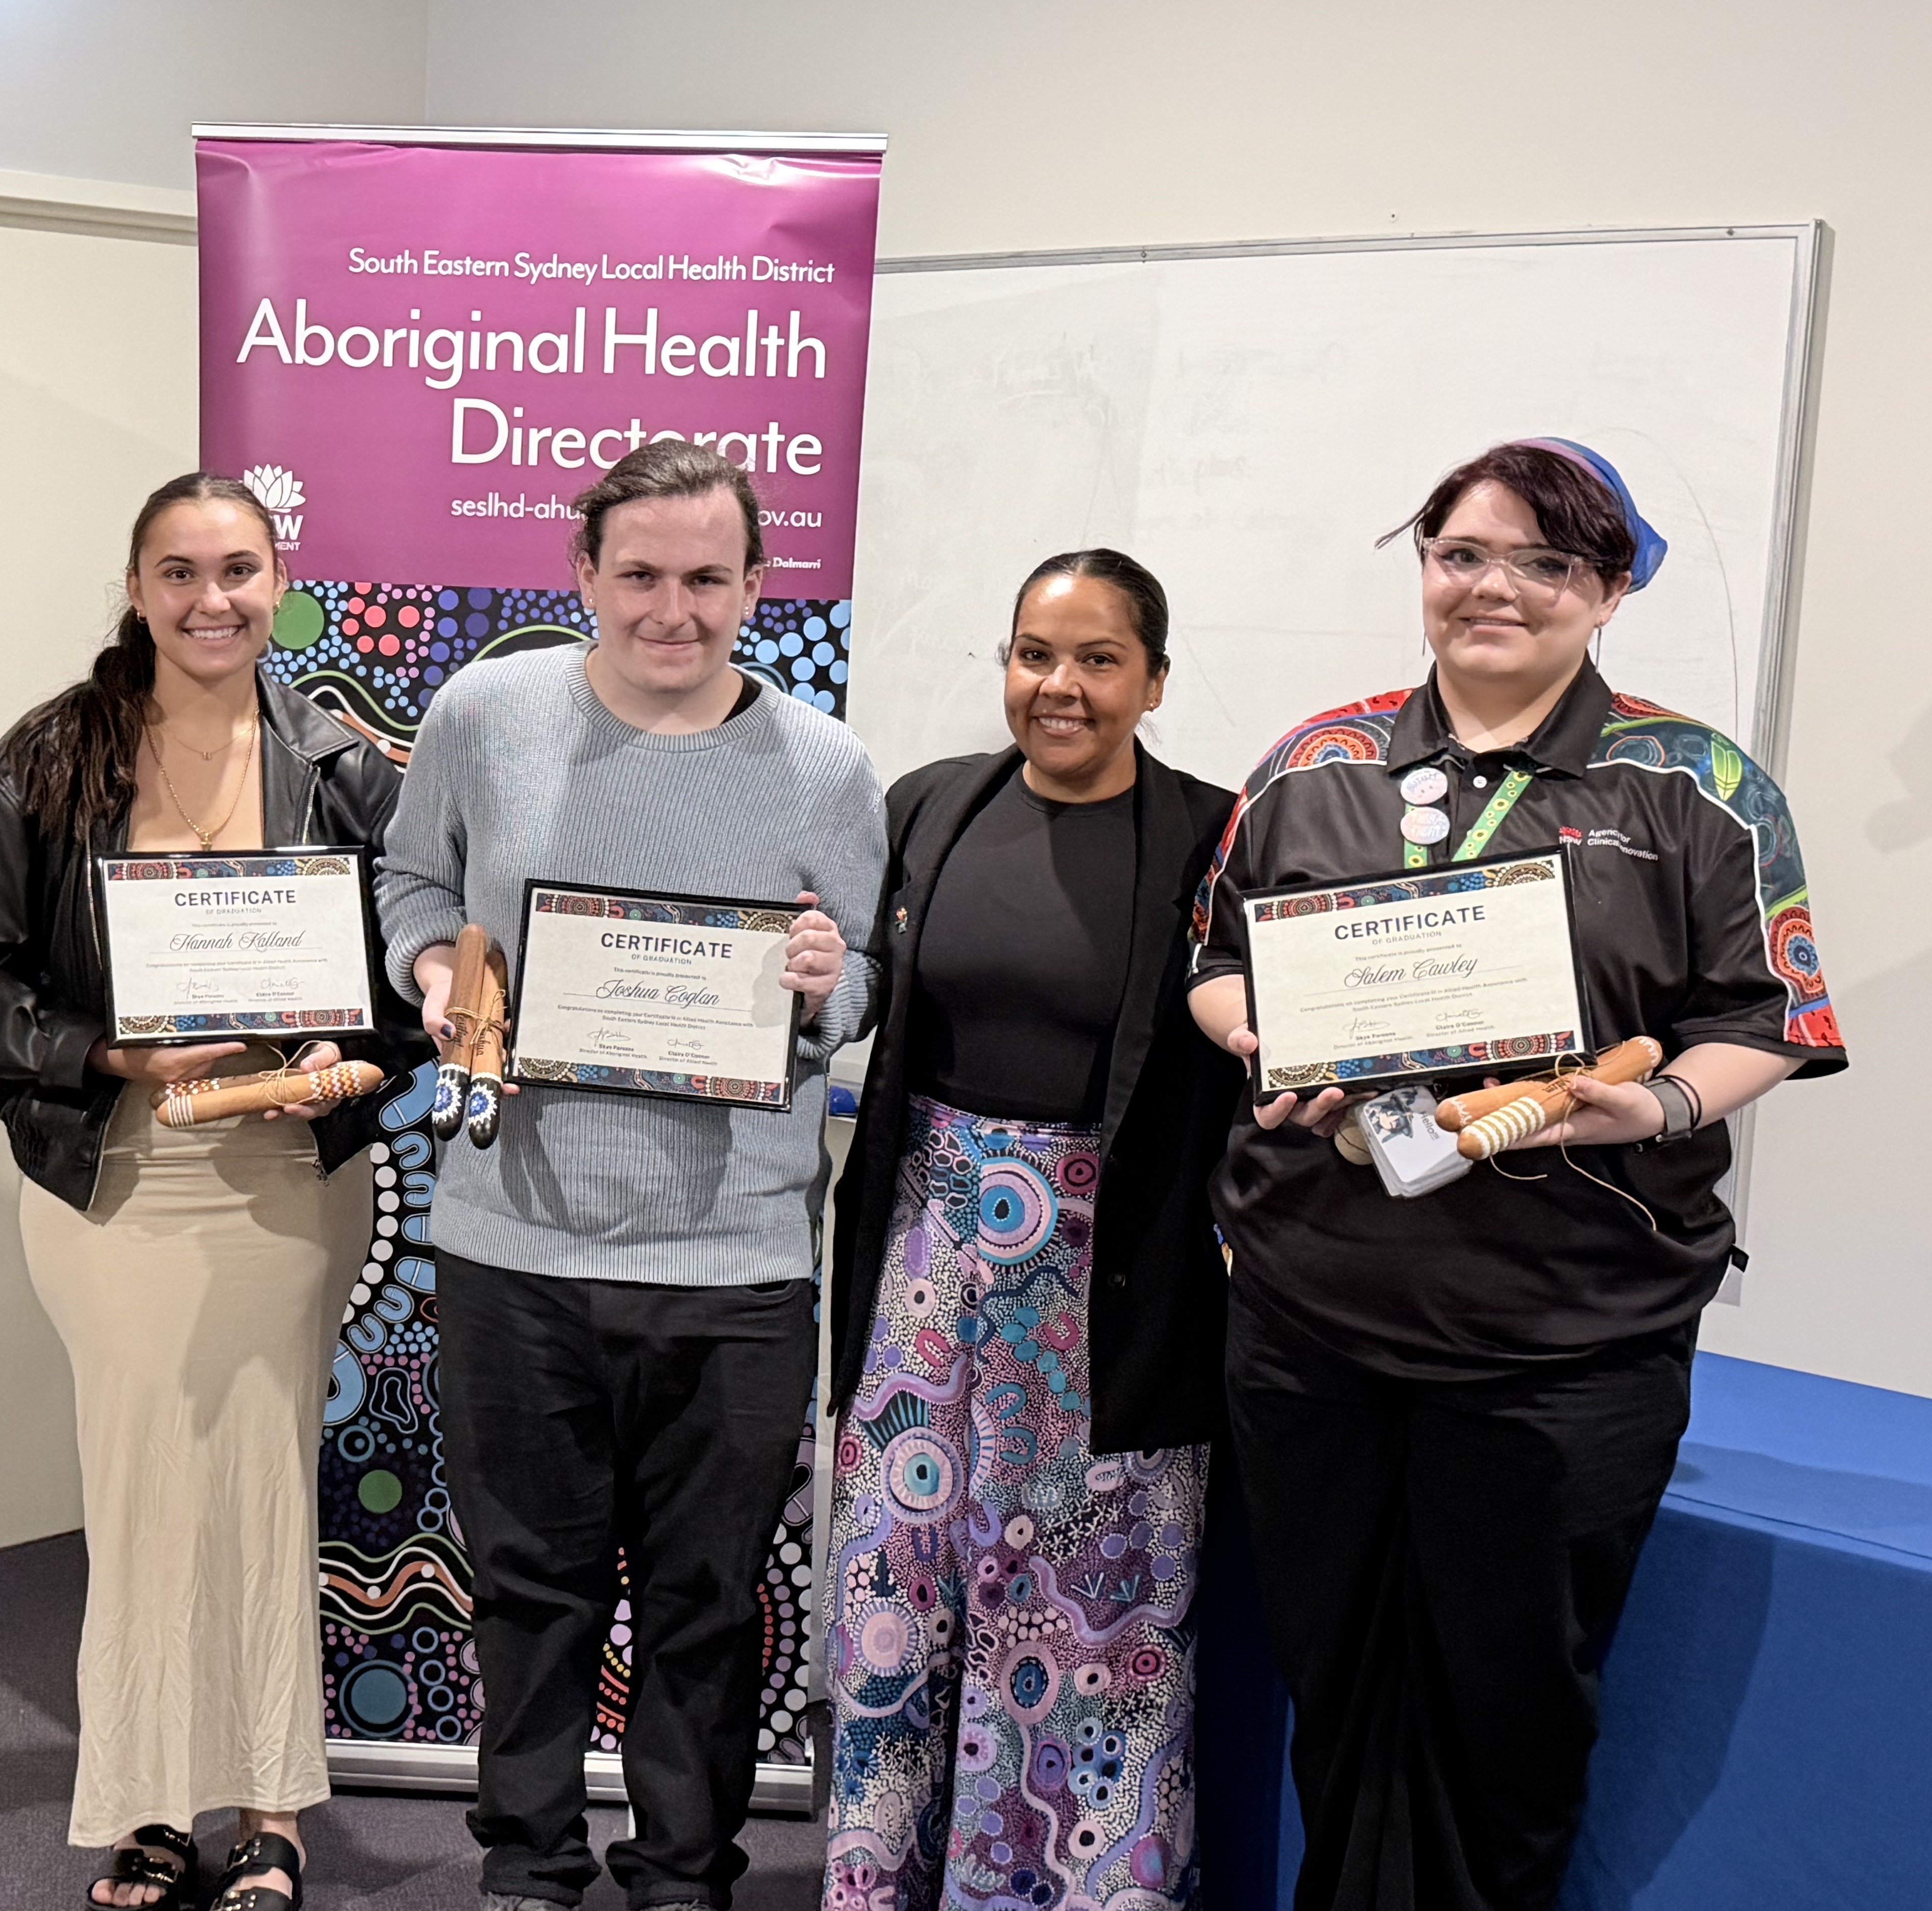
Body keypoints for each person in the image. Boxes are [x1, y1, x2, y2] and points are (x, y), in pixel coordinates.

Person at [1186, 439, 1846, 1911]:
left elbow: (1773, 1020)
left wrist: (1657, 1104)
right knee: (1338, 1686)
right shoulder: (1316, 763)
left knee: (1514, 1719)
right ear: (1423, 568)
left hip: (1568, 1339)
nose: (1494, 588)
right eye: (1461, 553)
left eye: (1545, 563)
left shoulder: (1696, 787)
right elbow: (1214, 965)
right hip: (1312, 1324)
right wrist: (1265, 1034)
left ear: (1610, 590)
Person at [376, 438, 885, 1910]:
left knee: (703, 1601)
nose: (675, 609)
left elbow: (859, 984)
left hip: (731, 1262)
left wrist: (825, 977)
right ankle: (528, 1866)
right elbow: (416, 879)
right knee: (531, 1593)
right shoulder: (485, 713)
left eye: (708, 579)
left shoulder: (827, 766)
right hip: (512, 1241)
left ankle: (683, 1874)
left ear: (756, 585)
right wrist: (430, 962)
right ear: (584, 574)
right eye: (643, 575)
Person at [0, 472, 419, 1911]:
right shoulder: (49, 758)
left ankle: (272, 1809)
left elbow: (418, 960)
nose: (212, 601)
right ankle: (149, 1804)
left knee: (270, 1482)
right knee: (142, 1486)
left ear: (280, 583)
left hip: (285, 1180)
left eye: (239, 571)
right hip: (120, 1178)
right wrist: (106, 1051)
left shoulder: (345, 768)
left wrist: (354, 1063)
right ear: (136, 588)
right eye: (179, 573)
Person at [823, 549, 1240, 1909]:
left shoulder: (1215, 835)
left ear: (1154, 681)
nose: (1059, 686)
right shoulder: (930, 806)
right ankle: (873, 1882)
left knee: (1087, 1626)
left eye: (1098, 660)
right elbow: (869, 1000)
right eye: (1033, 655)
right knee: (894, 1602)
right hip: (928, 1263)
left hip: (1106, 1278)